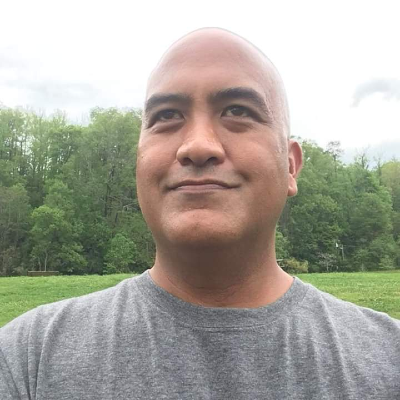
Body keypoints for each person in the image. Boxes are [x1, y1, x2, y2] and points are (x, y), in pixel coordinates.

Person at [0, 28, 399, 400]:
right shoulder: (26, 359)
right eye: (167, 116)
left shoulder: (389, 359)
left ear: (290, 166)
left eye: (237, 110)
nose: (197, 146)